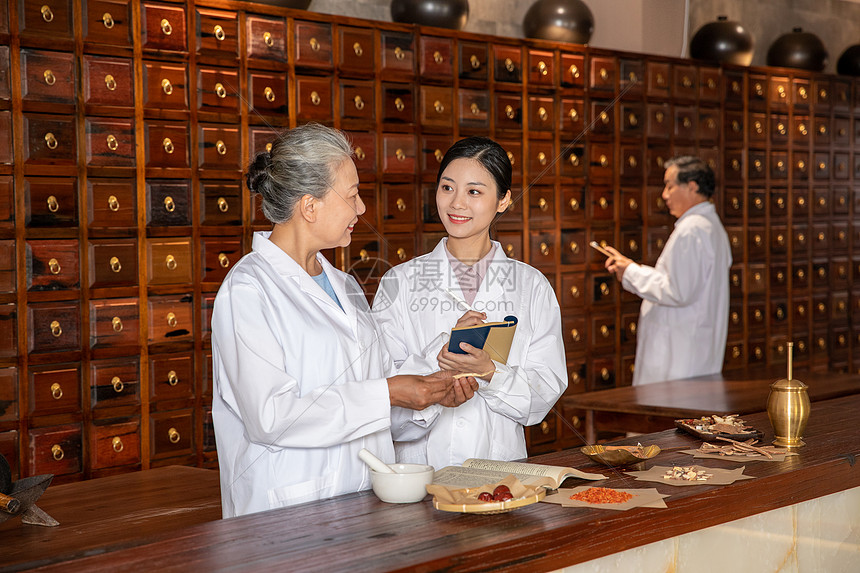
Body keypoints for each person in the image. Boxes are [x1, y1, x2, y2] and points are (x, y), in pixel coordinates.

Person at [211, 123, 474, 518]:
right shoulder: (248, 291)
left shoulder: (345, 286)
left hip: (362, 506)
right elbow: (271, 418)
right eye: (352, 195)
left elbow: (376, 402)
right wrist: (390, 392)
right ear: (310, 205)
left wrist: (430, 389)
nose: (362, 208)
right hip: (286, 515)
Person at [371, 137, 567, 469]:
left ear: (503, 200)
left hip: (502, 474)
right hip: (422, 474)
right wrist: (446, 357)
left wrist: (491, 373)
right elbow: (383, 397)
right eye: (447, 188)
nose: (456, 203)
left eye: (474, 192)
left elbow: (544, 393)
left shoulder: (531, 286)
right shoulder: (400, 282)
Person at [604, 155, 732, 386]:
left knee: (671, 415)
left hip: (679, 354)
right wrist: (630, 269)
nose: (664, 194)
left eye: (670, 186)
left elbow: (677, 290)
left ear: (692, 186)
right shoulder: (710, 226)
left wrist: (631, 271)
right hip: (692, 348)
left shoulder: (692, 230)